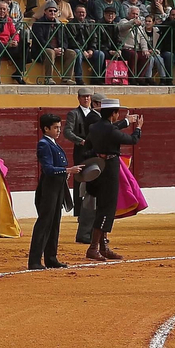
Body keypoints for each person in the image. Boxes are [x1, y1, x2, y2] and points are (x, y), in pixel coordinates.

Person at [85, 97, 140, 262]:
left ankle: (102, 247)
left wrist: (125, 122)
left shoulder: (95, 127)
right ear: (113, 114)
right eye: (118, 113)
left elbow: (108, 129)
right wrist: (138, 128)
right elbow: (133, 140)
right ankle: (94, 247)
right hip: (109, 169)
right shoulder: (110, 130)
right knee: (107, 208)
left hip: (98, 167)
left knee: (103, 206)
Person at [28, 113, 80, 270]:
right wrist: (67, 170)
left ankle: (51, 258)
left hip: (57, 188)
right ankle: (35, 261)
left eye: (59, 127)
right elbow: (48, 169)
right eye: (56, 127)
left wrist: (66, 171)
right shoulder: (44, 144)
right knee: (44, 223)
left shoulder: (52, 143)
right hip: (49, 188)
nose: (59, 130)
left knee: (55, 222)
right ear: (46, 128)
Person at [65, 90, 101, 245]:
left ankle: (88, 214)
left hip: (94, 150)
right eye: (83, 97)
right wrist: (81, 141)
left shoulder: (95, 114)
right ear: (78, 98)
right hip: (82, 150)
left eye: (88, 97)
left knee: (92, 182)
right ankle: (80, 212)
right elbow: (67, 132)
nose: (86, 99)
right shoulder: (74, 113)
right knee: (81, 180)